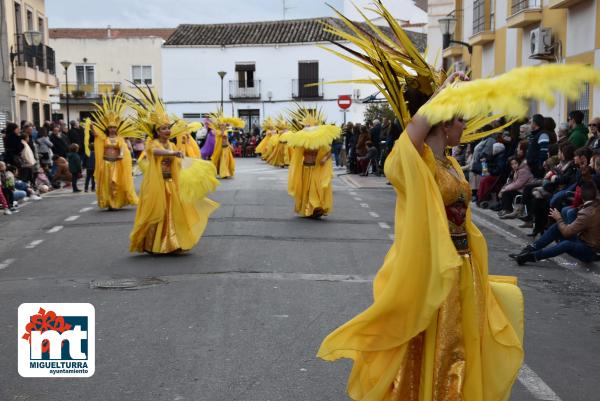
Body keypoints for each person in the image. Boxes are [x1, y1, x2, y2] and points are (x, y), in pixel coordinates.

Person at [127, 87, 220, 254]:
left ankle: (174, 242)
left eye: (168, 127)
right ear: (157, 131)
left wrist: (183, 161)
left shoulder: (171, 144)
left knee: (174, 213)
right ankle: (153, 244)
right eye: (163, 128)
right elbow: (155, 153)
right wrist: (172, 153)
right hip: (157, 185)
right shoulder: (153, 144)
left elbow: (175, 160)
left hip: (171, 182)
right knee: (159, 212)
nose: (167, 130)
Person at [511, 180, 600, 265]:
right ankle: (528, 250)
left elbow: (567, 232)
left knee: (565, 244)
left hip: (590, 252)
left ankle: (530, 256)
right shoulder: (595, 202)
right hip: (586, 243)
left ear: (580, 195)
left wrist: (558, 218)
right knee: (558, 227)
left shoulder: (588, 213)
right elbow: (591, 185)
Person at [88, 95, 139, 210]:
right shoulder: (104, 138)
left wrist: (121, 155)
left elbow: (122, 148)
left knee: (116, 183)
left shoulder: (120, 138)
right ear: (108, 128)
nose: (112, 129)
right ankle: (110, 203)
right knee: (108, 184)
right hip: (106, 164)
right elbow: (96, 135)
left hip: (116, 164)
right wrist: (91, 126)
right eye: (110, 127)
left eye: (114, 127)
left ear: (117, 128)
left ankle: (117, 202)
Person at [287, 111, 338, 218]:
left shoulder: (321, 141)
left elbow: (328, 152)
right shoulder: (302, 140)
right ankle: (308, 209)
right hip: (305, 168)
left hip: (317, 168)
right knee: (306, 190)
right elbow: (297, 155)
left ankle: (316, 207)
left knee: (316, 189)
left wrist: (324, 159)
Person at [209, 112, 243, 178]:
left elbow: (227, 140)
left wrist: (230, 146)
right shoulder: (218, 131)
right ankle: (221, 172)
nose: (223, 126)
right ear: (219, 126)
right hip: (219, 148)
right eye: (222, 125)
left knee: (225, 161)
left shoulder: (225, 131)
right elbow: (220, 135)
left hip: (226, 148)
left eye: (224, 125)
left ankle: (225, 172)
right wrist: (222, 129)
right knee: (219, 160)